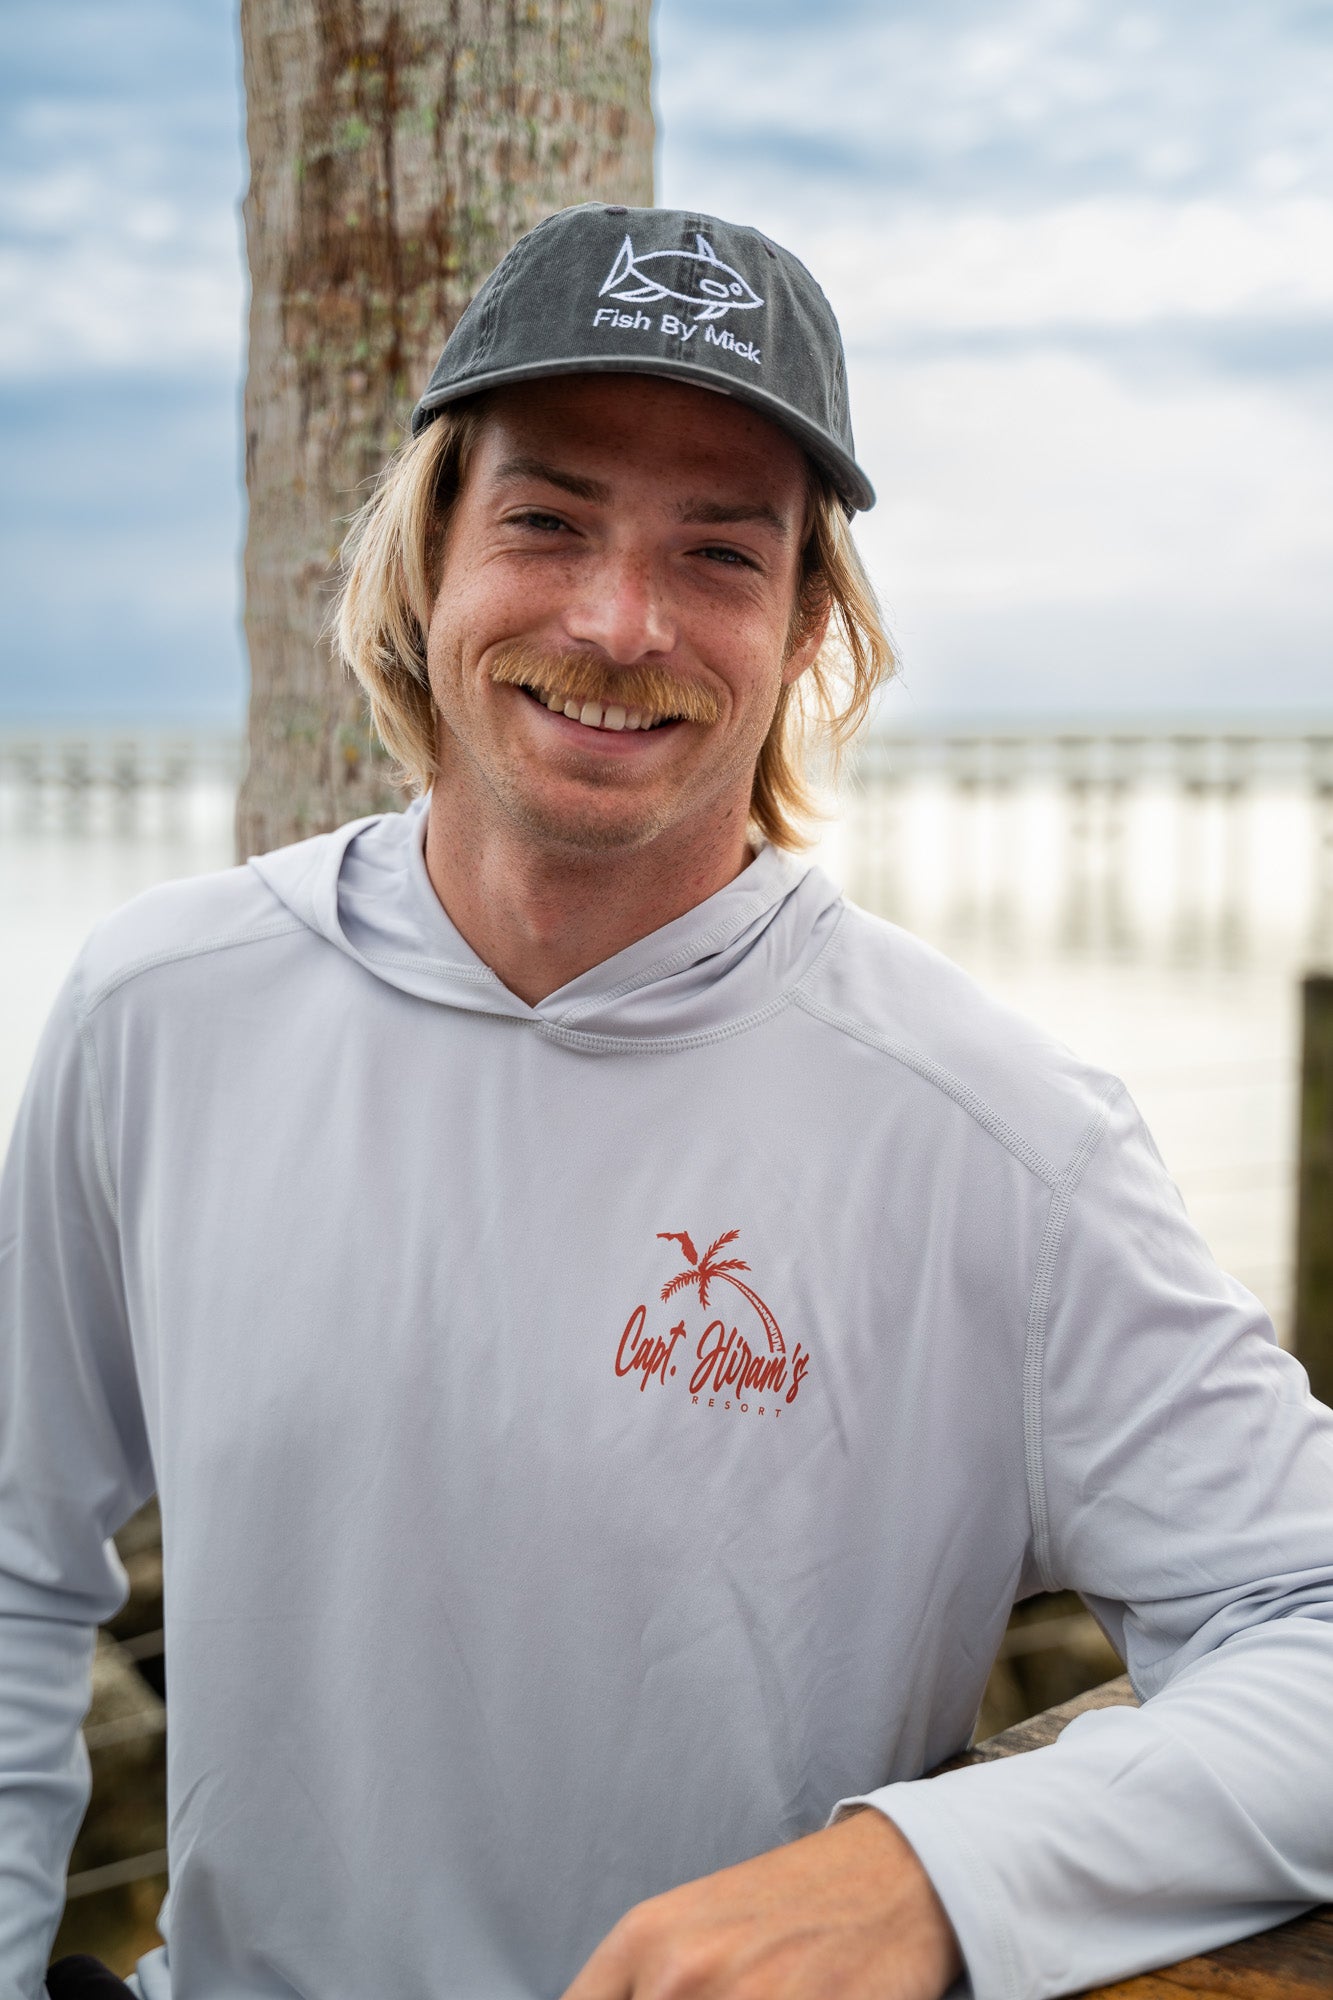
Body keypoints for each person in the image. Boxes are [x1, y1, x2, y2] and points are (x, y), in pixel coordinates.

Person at [2, 202, 1332, 2000]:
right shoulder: (161, 1009)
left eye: (717, 553)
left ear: (806, 627)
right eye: (547, 521)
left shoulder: (992, 1138)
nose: (619, 623)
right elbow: (18, 1563)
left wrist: (929, 1876)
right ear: (430, 551)